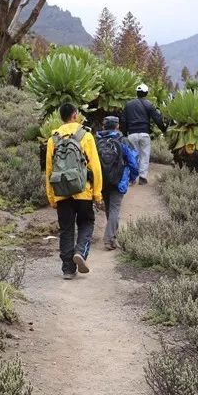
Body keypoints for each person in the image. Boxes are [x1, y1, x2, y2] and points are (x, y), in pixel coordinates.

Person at [45, 103, 104, 279]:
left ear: (61, 117)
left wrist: (52, 198)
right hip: (83, 191)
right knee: (86, 223)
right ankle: (80, 252)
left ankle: (68, 269)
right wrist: (97, 193)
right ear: (75, 115)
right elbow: (95, 166)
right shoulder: (85, 136)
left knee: (66, 229)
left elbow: (49, 171)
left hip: (62, 192)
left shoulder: (52, 139)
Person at [95, 116, 140, 250]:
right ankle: (109, 239)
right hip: (118, 180)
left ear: (104, 126)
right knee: (114, 209)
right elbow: (133, 160)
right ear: (117, 126)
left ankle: (113, 236)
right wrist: (133, 176)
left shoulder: (97, 141)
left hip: (101, 180)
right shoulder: (122, 140)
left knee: (110, 208)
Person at [121, 83, 166, 184]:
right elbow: (157, 118)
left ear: (137, 93)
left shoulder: (128, 104)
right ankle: (142, 177)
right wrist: (164, 129)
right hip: (144, 134)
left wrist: (124, 133)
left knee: (132, 156)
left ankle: (132, 178)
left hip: (131, 134)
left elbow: (123, 120)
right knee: (145, 155)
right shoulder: (149, 104)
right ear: (146, 93)